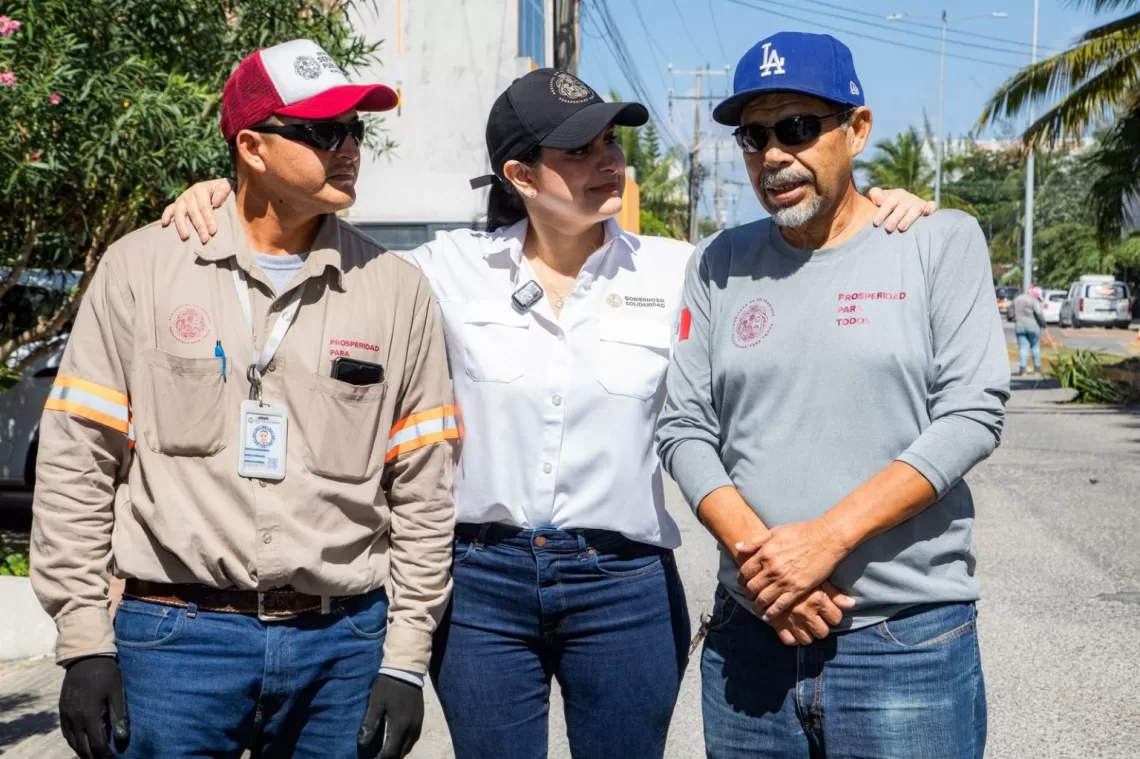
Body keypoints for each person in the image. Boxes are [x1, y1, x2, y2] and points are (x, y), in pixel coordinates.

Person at [163, 67, 935, 758]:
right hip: (481, 585)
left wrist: (879, 209)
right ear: (520, 174)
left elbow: (800, 257)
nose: (609, 162)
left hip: (625, 585)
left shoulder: (683, 271)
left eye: (611, 143)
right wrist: (222, 198)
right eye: (580, 150)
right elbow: (309, 249)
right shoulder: (443, 271)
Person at [31, 39, 458, 759]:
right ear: (253, 148)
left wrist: (404, 658)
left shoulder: (396, 290)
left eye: (355, 129)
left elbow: (424, 488)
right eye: (322, 132)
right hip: (175, 643)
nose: (349, 149)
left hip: (343, 648)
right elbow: (79, 461)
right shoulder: (142, 268)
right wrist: (84, 642)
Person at [656, 32, 1010, 759]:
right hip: (751, 632)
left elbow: (971, 414)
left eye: (796, 128)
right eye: (753, 136)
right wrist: (767, 570)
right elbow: (684, 426)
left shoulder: (938, 243)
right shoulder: (720, 262)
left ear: (858, 129)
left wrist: (826, 539)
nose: (773, 155)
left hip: (904, 641)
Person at [1013, 286, 1048, 376]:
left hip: (1019, 326)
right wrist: (1043, 324)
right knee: (1035, 347)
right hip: (1033, 327)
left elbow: (1011, 311)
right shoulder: (1034, 300)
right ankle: (1037, 369)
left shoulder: (1018, 298)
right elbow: (1039, 314)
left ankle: (1022, 370)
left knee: (1023, 348)